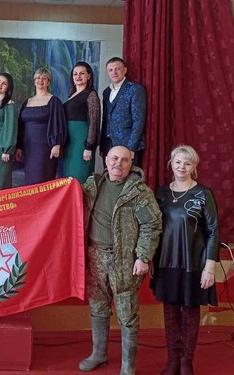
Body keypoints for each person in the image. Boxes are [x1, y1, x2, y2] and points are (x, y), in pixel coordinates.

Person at [79, 145, 161, 374]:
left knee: (127, 314)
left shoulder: (138, 192)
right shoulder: (92, 185)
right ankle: (99, 354)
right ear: (106, 160)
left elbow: (152, 225)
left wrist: (143, 256)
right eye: (114, 158)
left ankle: (127, 366)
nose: (118, 163)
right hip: (95, 257)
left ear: (131, 163)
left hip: (124, 261)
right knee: (98, 306)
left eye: (124, 160)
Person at [150, 145, 219, 375]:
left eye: (187, 163)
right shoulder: (161, 193)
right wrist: (149, 258)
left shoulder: (203, 194)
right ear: (171, 164)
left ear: (194, 166)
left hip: (194, 263)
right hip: (166, 261)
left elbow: (213, 231)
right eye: (178, 162)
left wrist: (210, 267)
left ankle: (186, 361)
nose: (182, 167)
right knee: (170, 311)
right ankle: (172, 360)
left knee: (189, 311)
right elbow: (152, 228)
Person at [16, 68, 67, 185]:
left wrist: (57, 144)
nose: (40, 80)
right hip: (29, 148)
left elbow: (58, 123)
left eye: (44, 78)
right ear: (34, 81)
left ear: (48, 82)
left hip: (45, 148)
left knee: (43, 181)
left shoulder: (54, 101)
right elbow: (21, 126)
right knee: (30, 182)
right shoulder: (27, 102)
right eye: (38, 78)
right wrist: (19, 147)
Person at [100, 57, 146, 167]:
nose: (114, 72)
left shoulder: (135, 89)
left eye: (117, 69)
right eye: (110, 70)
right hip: (108, 144)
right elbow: (105, 119)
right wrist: (102, 146)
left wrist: (131, 148)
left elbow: (138, 121)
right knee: (109, 175)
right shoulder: (106, 92)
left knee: (128, 176)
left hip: (127, 144)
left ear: (125, 70)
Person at [63, 61, 101, 184]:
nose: (78, 76)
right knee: (68, 179)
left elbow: (94, 122)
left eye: (82, 73)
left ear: (89, 76)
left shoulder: (91, 95)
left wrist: (88, 146)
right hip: (70, 143)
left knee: (80, 178)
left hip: (82, 143)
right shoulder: (71, 95)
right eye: (75, 74)